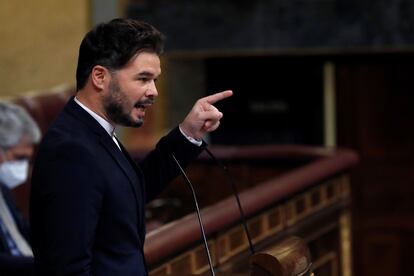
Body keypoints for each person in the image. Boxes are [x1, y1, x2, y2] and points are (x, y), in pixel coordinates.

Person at [30, 18, 232, 275]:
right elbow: (69, 269)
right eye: (143, 79)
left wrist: (187, 133)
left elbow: (128, 190)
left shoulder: (93, 130)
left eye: (155, 80)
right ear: (100, 77)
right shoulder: (70, 150)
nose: (154, 92)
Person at [0, 101, 41, 275]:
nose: (23, 167)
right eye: (18, 157)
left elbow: (23, 232)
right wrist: (42, 266)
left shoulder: (4, 189)